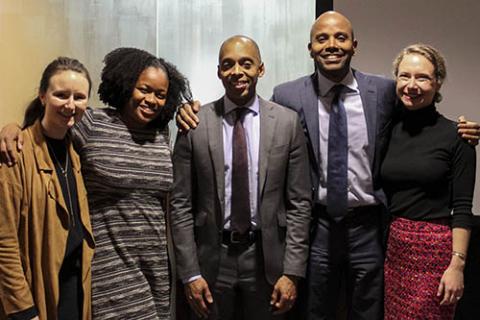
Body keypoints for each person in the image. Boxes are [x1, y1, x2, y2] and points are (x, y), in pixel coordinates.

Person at [174, 11, 480, 320]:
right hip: (317, 225)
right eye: (322, 38)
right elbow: (246, 114)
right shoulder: (288, 95)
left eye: (340, 38)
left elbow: (420, 111)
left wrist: (462, 128)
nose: (331, 45)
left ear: (354, 45)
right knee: (315, 310)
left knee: (369, 311)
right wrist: (190, 110)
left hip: (369, 227)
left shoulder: (384, 92)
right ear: (310, 48)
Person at [0, 48, 193, 319]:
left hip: (157, 266)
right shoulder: (92, 123)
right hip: (110, 266)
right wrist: (11, 128)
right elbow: (49, 124)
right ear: (126, 85)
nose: (151, 100)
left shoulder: (162, 133)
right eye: (144, 89)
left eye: (160, 95)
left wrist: (186, 110)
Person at [170, 35, 311, 320]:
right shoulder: (195, 124)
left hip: (266, 260)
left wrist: (292, 271)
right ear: (219, 72)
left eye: (246, 63)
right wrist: (190, 273)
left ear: (261, 69)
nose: (237, 71)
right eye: (228, 64)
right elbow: (179, 204)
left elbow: (300, 204)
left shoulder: (287, 123)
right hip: (212, 259)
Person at [381, 44, 476, 320]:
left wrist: (457, 265)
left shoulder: (458, 137)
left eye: (422, 77)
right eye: (404, 76)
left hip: (435, 254)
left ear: (437, 83)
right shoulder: (388, 129)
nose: (412, 85)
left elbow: (462, 208)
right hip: (395, 250)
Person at [0, 57, 95, 319]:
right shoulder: (15, 153)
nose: (70, 105)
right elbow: (4, 241)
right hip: (35, 299)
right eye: (61, 95)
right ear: (43, 96)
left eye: (79, 97)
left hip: (74, 293)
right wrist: (23, 310)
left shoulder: (75, 152)